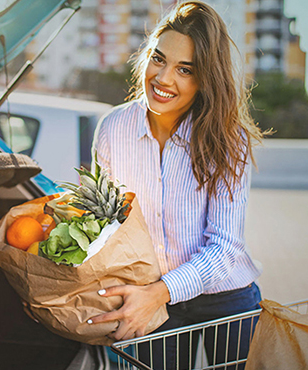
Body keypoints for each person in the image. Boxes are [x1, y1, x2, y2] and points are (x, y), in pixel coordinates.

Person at [89, 1, 263, 368]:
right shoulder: (112, 129)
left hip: (224, 298)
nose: (164, 78)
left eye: (185, 69)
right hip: (146, 297)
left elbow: (226, 245)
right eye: (158, 58)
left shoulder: (228, 140)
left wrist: (161, 292)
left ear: (205, 80)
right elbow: (106, 224)